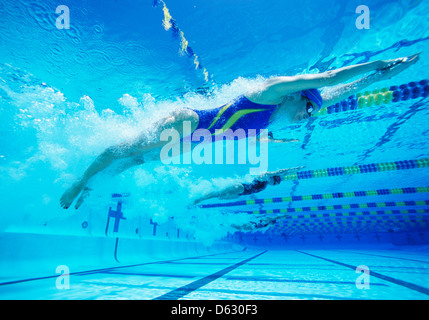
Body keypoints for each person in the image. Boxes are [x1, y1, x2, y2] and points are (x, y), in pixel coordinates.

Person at [60, 53, 419, 209]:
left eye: (312, 113)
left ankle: (92, 185)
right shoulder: (271, 91)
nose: (308, 116)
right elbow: (327, 79)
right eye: (307, 108)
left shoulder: (284, 115)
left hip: (196, 141)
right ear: (296, 96)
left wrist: (382, 79)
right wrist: (376, 64)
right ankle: (79, 181)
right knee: (123, 151)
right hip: (187, 122)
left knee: (136, 162)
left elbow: (334, 93)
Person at [191, 167, 304, 205]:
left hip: (239, 193)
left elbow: (280, 175)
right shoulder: (263, 177)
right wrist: (293, 169)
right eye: (277, 180)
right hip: (239, 188)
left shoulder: (265, 184)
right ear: (273, 178)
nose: (276, 183)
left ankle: (197, 195)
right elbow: (277, 172)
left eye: (278, 183)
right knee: (216, 194)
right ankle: (197, 199)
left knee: (218, 195)